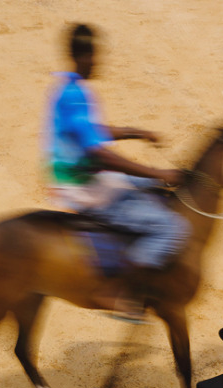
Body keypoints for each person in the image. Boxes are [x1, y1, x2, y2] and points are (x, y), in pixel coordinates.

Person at [42, 24, 190, 316]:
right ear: (83, 56)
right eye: (94, 55)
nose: (98, 62)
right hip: (83, 185)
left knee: (148, 188)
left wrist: (134, 132)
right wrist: (158, 172)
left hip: (76, 175)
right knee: (171, 227)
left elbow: (89, 131)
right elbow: (99, 155)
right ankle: (121, 289)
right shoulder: (76, 95)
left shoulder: (67, 87)